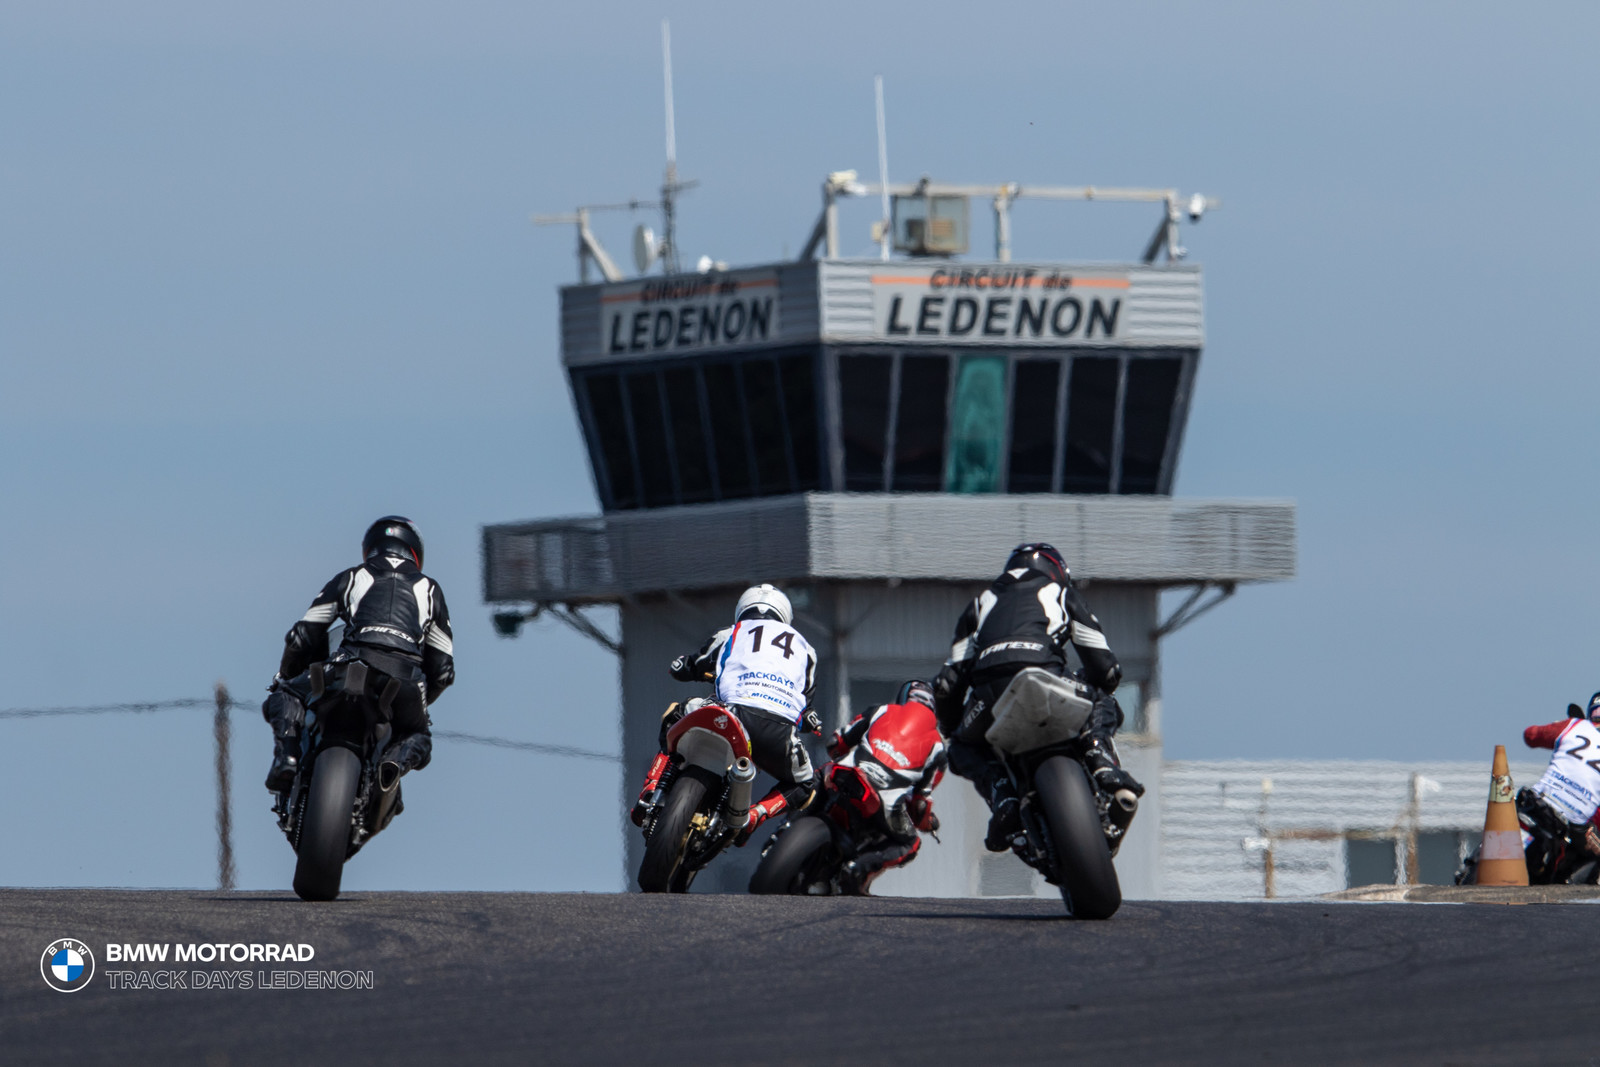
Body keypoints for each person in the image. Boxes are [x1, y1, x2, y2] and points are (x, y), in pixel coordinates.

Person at [933, 542, 1142, 852]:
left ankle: (1003, 797)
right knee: (1101, 698)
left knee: (961, 748)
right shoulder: (1060, 592)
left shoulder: (980, 602)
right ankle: (1100, 758)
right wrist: (1099, 685)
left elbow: (947, 685)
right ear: (1057, 570)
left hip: (989, 696)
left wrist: (954, 730)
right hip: (1046, 674)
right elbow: (1106, 668)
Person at [262, 516, 454, 792]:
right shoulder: (431, 590)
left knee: (284, 695)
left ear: (370, 547)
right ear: (416, 553)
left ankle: (287, 757)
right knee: (418, 737)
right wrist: (421, 706)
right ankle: (394, 764)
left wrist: (285, 678)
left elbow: (302, 636)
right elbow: (443, 670)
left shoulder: (353, 577)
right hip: (406, 679)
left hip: (351, 661)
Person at [631, 583, 819, 845]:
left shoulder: (733, 632)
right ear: (785, 616)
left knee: (675, 714)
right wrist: (808, 718)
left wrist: (681, 667)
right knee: (806, 785)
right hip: (779, 730)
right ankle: (754, 817)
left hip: (732, 712)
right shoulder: (807, 650)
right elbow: (805, 702)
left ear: (742, 610)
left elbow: (695, 663)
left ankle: (651, 789)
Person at [825, 680, 947, 892]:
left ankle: (782, 830)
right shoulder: (938, 747)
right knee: (910, 843)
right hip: (887, 802)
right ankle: (858, 868)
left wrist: (839, 756)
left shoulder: (880, 710)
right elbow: (920, 804)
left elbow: (836, 742)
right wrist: (928, 823)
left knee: (818, 776)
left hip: (848, 773)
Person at [1518, 694, 1600, 872]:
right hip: (1570, 826)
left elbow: (1530, 735)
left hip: (1537, 803)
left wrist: (1559, 734)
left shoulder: (1574, 726)